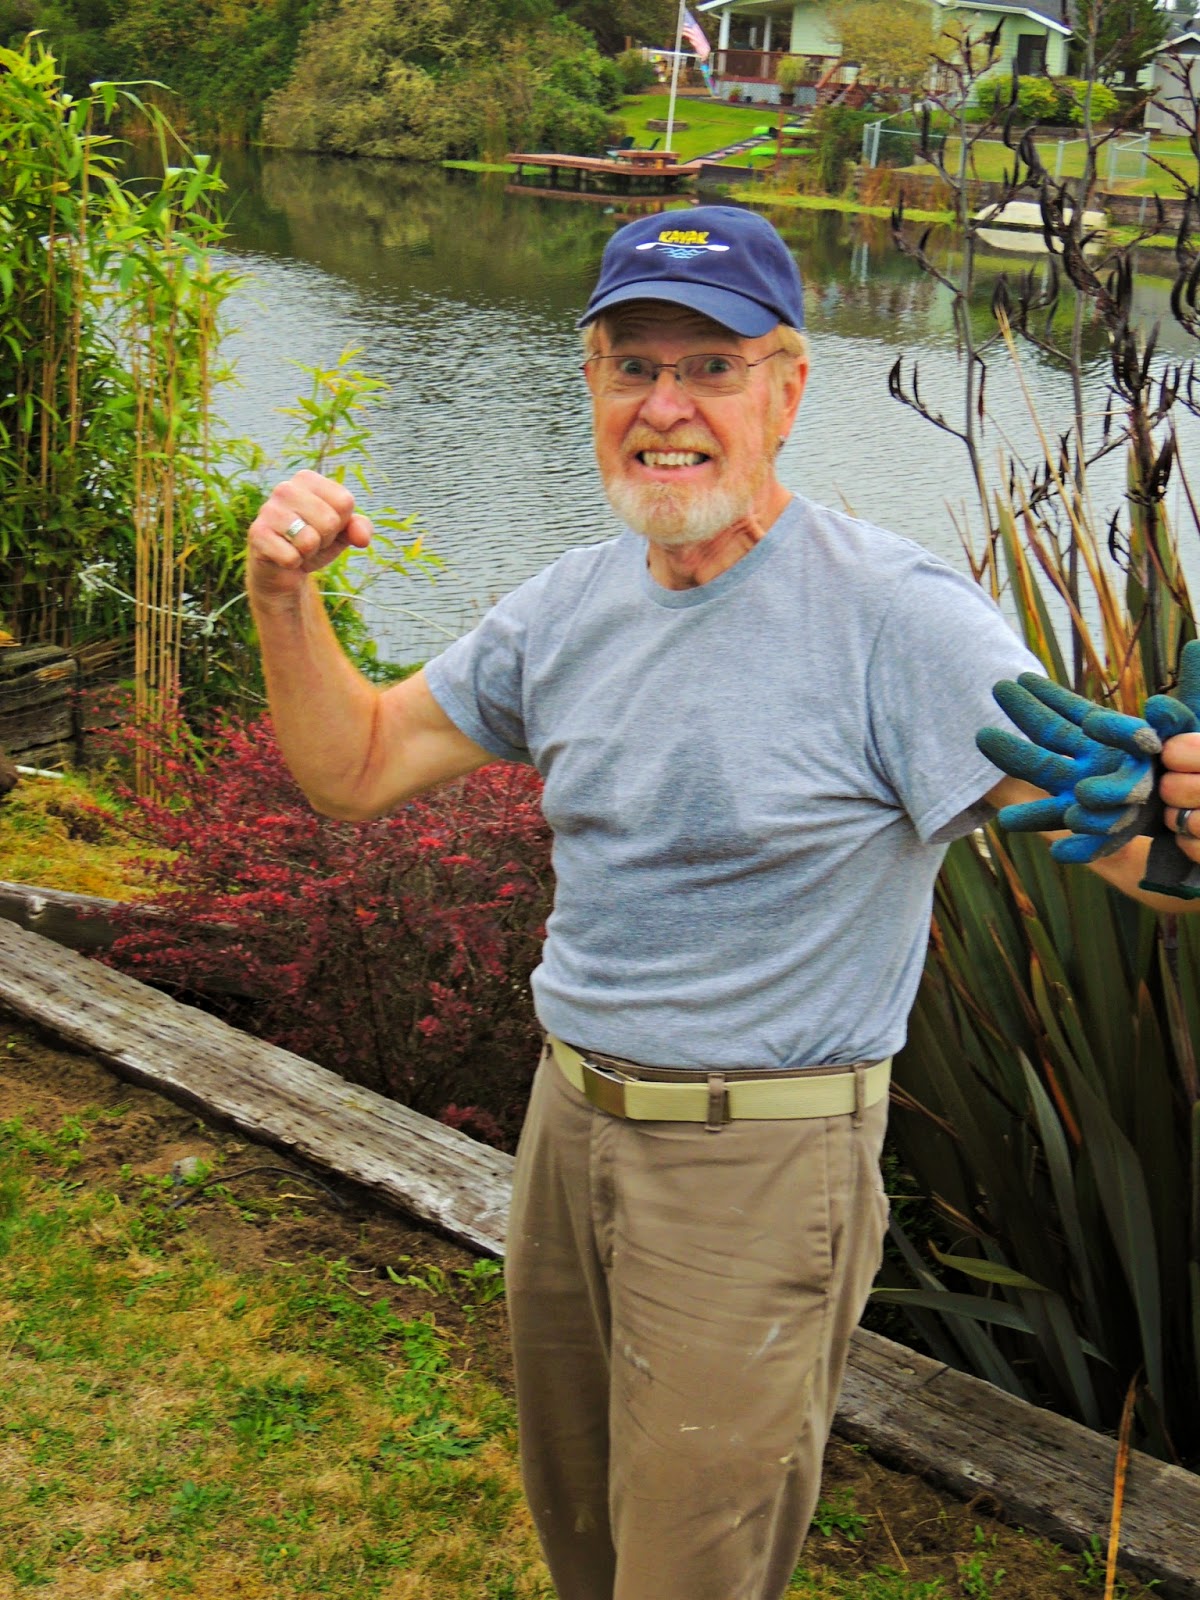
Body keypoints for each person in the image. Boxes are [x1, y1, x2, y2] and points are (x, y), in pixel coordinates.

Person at [245, 205, 1200, 1600]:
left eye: (712, 367)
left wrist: (1181, 823)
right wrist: (284, 597)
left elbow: (1124, 846)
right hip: (568, 1128)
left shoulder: (897, 620)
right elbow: (358, 765)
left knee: (687, 1574)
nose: (667, 406)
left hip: (759, 1166)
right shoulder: (566, 609)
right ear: (591, 384)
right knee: (585, 1542)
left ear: (788, 389)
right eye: (634, 366)